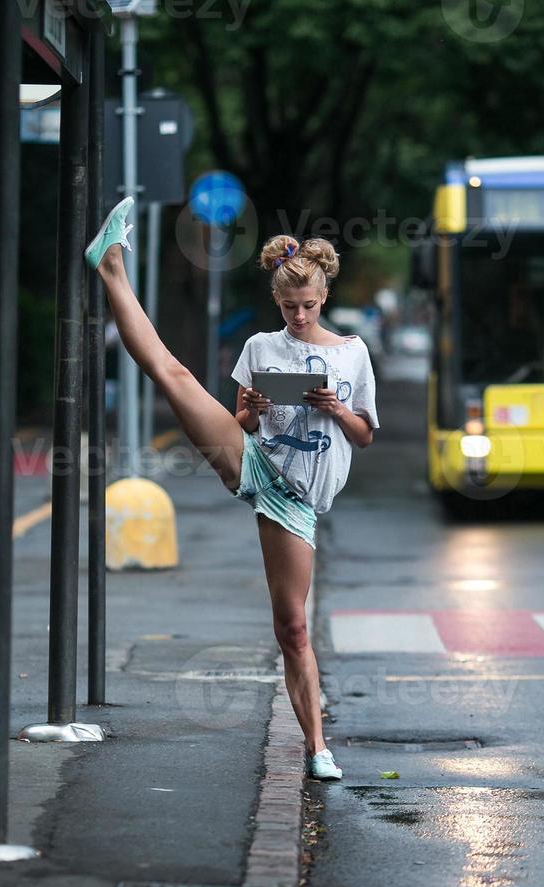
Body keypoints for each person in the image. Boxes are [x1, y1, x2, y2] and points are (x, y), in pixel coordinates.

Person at [87, 197, 379, 781]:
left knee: (290, 625)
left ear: (324, 300)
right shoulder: (260, 348)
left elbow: (365, 435)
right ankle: (110, 264)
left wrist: (335, 406)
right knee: (174, 375)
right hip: (253, 460)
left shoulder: (352, 354)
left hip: (299, 501)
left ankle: (317, 746)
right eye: (289, 306)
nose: (298, 315)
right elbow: (242, 421)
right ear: (277, 300)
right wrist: (254, 408)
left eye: (308, 306)